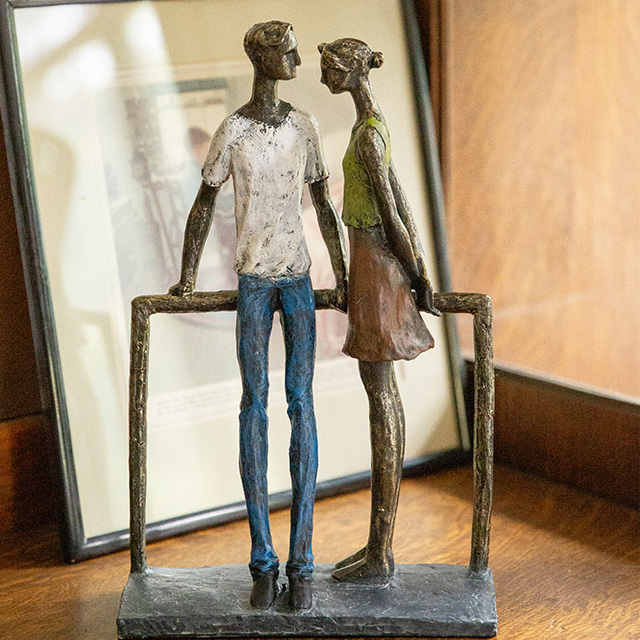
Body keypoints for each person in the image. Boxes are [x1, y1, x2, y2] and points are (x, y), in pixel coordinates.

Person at [169, 21, 347, 611]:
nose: (295, 59)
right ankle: (263, 561)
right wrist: (187, 275)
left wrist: (341, 273)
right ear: (263, 58)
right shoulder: (234, 130)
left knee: (301, 404)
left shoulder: (304, 126)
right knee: (254, 406)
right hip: (253, 281)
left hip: (296, 281)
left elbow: (322, 202)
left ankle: (302, 563)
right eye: (287, 51)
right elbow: (203, 202)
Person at [318, 38, 441, 586]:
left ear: (349, 70)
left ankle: (380, 552)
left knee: (381, 400)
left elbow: (392, 211)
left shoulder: (368, 133)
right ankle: (378, 546)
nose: (324, 76)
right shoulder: (371, 125)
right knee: (382, 397)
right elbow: (400, 200)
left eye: (329, 68)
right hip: (375, 263)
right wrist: (418, 266)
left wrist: (416, 274)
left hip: (375, 266)